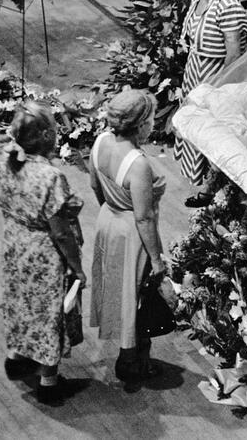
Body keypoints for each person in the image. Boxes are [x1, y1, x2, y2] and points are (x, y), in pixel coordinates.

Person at [0, 101, 87, 405]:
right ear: (48, 136)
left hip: (15, 242)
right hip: (43, 251)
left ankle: (16, 355)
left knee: (20, 300)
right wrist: (77, 266)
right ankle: (49, 382)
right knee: (50, 312)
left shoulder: (7, 160)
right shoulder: (50, 177)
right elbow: (60, 231)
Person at [89, 89, 168, 383]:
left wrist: (112, 211)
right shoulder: (138, 164)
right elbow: (144, 217)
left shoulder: (99, 143)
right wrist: (157, 260)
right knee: (137, 294)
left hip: (107, 220)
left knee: (116, 288)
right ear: (141, 124)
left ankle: (127, 352)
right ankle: (133, 359)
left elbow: (95, 186)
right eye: (151, 120)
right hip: (132, 234)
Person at [174, 0, 247, 207]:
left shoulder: (228, 6)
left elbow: (233, 55)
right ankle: (209, 188)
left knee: (213, 134)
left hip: (214, 77)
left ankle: (212, 193)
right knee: (195, 129)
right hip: (195, 71)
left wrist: (219, 89)